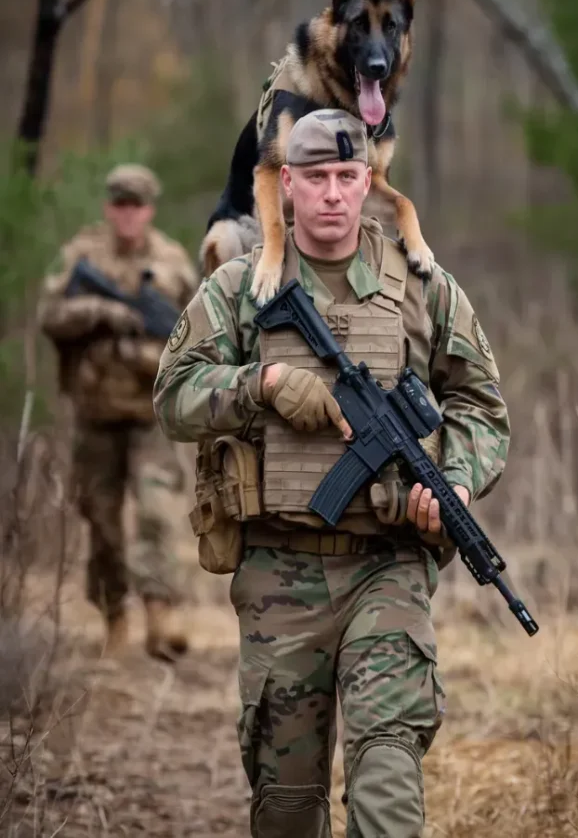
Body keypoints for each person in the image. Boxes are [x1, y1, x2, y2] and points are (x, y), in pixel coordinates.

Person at [153, 111, 510, 838]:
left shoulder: (421, 286)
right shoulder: (240, 289)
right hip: (279, 576)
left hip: (389, 568)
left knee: (386, 781)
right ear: (286, 183)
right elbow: (173, 396)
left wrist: (460, 481)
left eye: (348, 178)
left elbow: (481, 405)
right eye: (315, 178)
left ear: (368, 182)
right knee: (285, 806)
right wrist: (265, 382)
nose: (332, 195)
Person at [38, 164, 199, 661]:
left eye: (137, 206)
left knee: (157, 511)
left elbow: (192, 338)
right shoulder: (81, 256)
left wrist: (144, 355)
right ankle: (114, 619)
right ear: (110, 208)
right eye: (120, 205)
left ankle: (159, 611)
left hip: (151, 413)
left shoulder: (173, 263)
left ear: (149, 209)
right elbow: (50, 317)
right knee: (102, 523)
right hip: (95, 414)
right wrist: (101, 313)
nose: (128, 215)